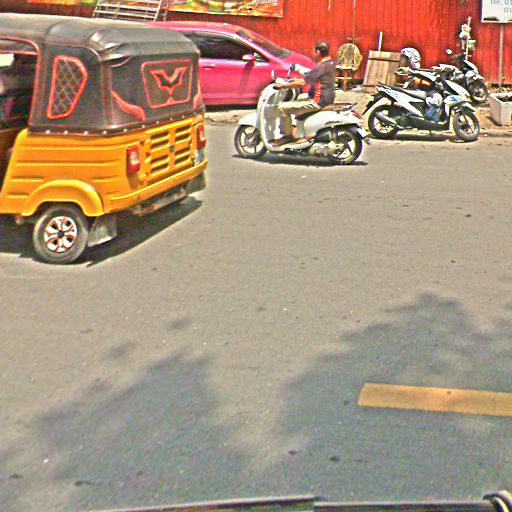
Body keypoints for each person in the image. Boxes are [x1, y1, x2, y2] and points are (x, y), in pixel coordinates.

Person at [272, 41, 336, 145]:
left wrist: (283, 86)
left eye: (314, 51)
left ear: (318, 52)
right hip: (327, 99)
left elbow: (302, 83)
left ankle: (287, 136)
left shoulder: (321, 67)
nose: (313, 53)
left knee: (282, 108)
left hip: (317, 102)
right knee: (300, 99)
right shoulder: (331, 63)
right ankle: (299, 132)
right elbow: (313, 76)